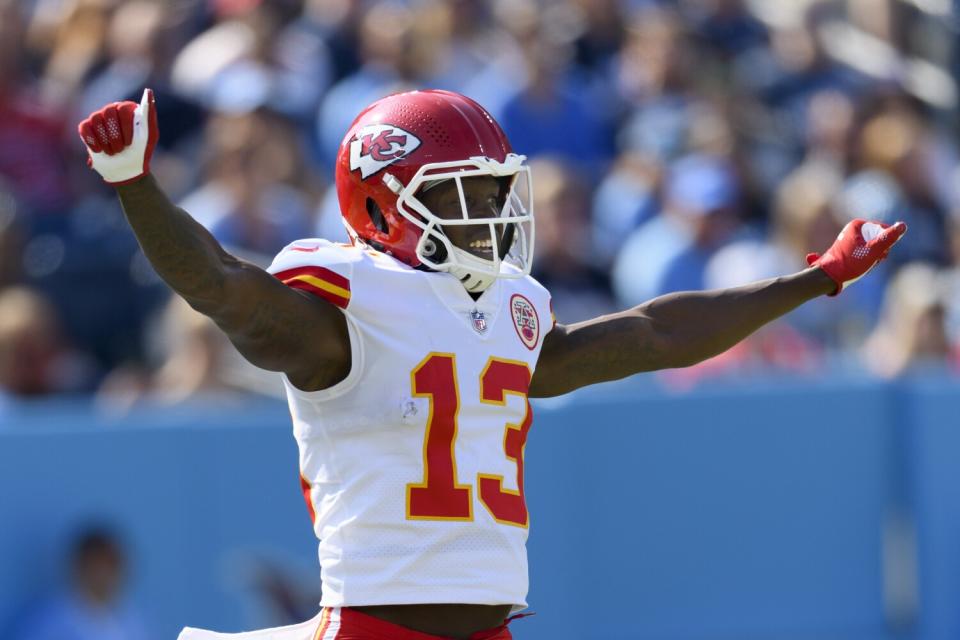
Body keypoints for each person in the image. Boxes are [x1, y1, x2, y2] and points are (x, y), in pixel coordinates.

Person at [77, 88, 906, 640]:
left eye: (495, 191)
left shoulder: (504, 310)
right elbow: (221, 287)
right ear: (381, 201)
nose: (491, 215)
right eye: (459, 194)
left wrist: (817, 278)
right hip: (375, 626)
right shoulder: (346, 303)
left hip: (495, 626)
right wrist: (134, 182)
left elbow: (652, 334)